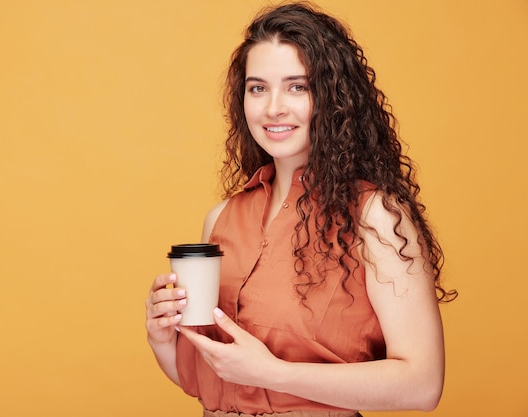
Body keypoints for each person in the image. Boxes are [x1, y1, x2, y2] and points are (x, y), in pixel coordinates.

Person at [145, 2, 457, 416]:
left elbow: (422, 385)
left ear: (333, 98)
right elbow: (210, 381)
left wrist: (273, 373)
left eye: (298, 86)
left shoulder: (375, 217)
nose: (274, 107)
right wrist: (163, 340)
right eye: (258, 88)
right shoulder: (222, 219)